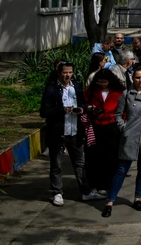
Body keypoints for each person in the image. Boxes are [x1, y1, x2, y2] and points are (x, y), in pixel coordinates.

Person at [102, 66, 141, 217]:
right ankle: (110, 201)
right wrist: (124, 129)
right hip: (131, 135)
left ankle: (137, 198)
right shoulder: (126, 94)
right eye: (137, 77)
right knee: (121, 169)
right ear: (132, 78)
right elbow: (118, 114)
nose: (140, 80)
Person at [40, 61, 104, 206]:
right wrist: (61, 110)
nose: (67, 75)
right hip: (58, 132)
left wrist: (82, 109)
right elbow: (44, 112)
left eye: (70, 72)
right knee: (56, 164)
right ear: (59, 73)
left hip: (75, 131)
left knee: (79, 163)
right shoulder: (51, 89)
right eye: (64, 72)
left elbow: (82, 103)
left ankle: (86, 191)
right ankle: (57, 192)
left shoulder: (76, 86)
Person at [84, 68, 125, 195]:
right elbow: (83, 104)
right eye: (100, 82)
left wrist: (122, 123)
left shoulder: (119, 93)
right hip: (95, 126)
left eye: (105, 82)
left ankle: (109, 184)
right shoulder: (90, 92)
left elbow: (124, 110)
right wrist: (91, 109)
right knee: (96, 156)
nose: (102, 85)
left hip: (113, 126)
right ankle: (96, 183)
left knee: (111, 156)